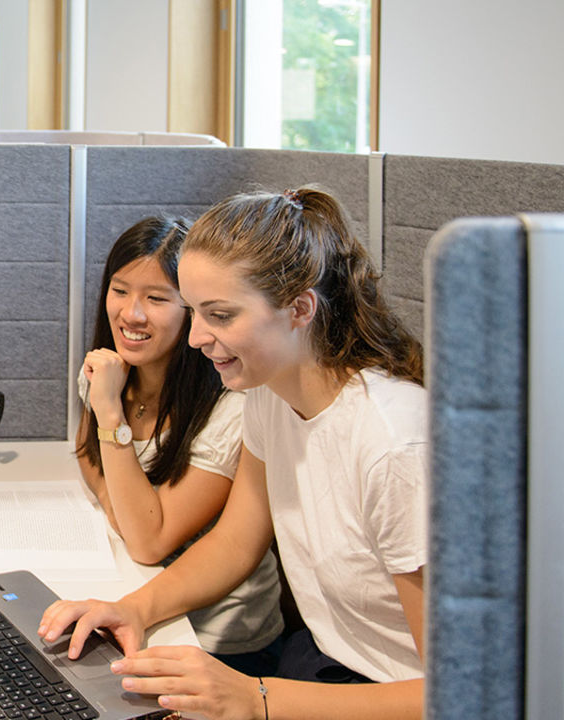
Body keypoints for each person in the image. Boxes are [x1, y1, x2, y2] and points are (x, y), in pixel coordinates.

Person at [40, 187, 428, 720]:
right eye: (195, 312)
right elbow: (234, 543)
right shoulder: (268, 395)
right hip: (326, 664)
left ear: (300, 309)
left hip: (391, 694)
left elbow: (465, 695)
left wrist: (255, 697)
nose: (197, 337)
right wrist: (131, 610)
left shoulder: (395, 446)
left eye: (220, 315)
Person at [75, 216, 284, 677]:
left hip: (218, 640)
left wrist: (109, 410)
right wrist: (119, 505)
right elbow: (89, 457)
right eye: (120, 290)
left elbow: (150, 541)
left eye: (156, 298)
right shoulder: (110, 371)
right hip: (138, 596)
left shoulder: (234, 405)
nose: (131, 314)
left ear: (192, 308)